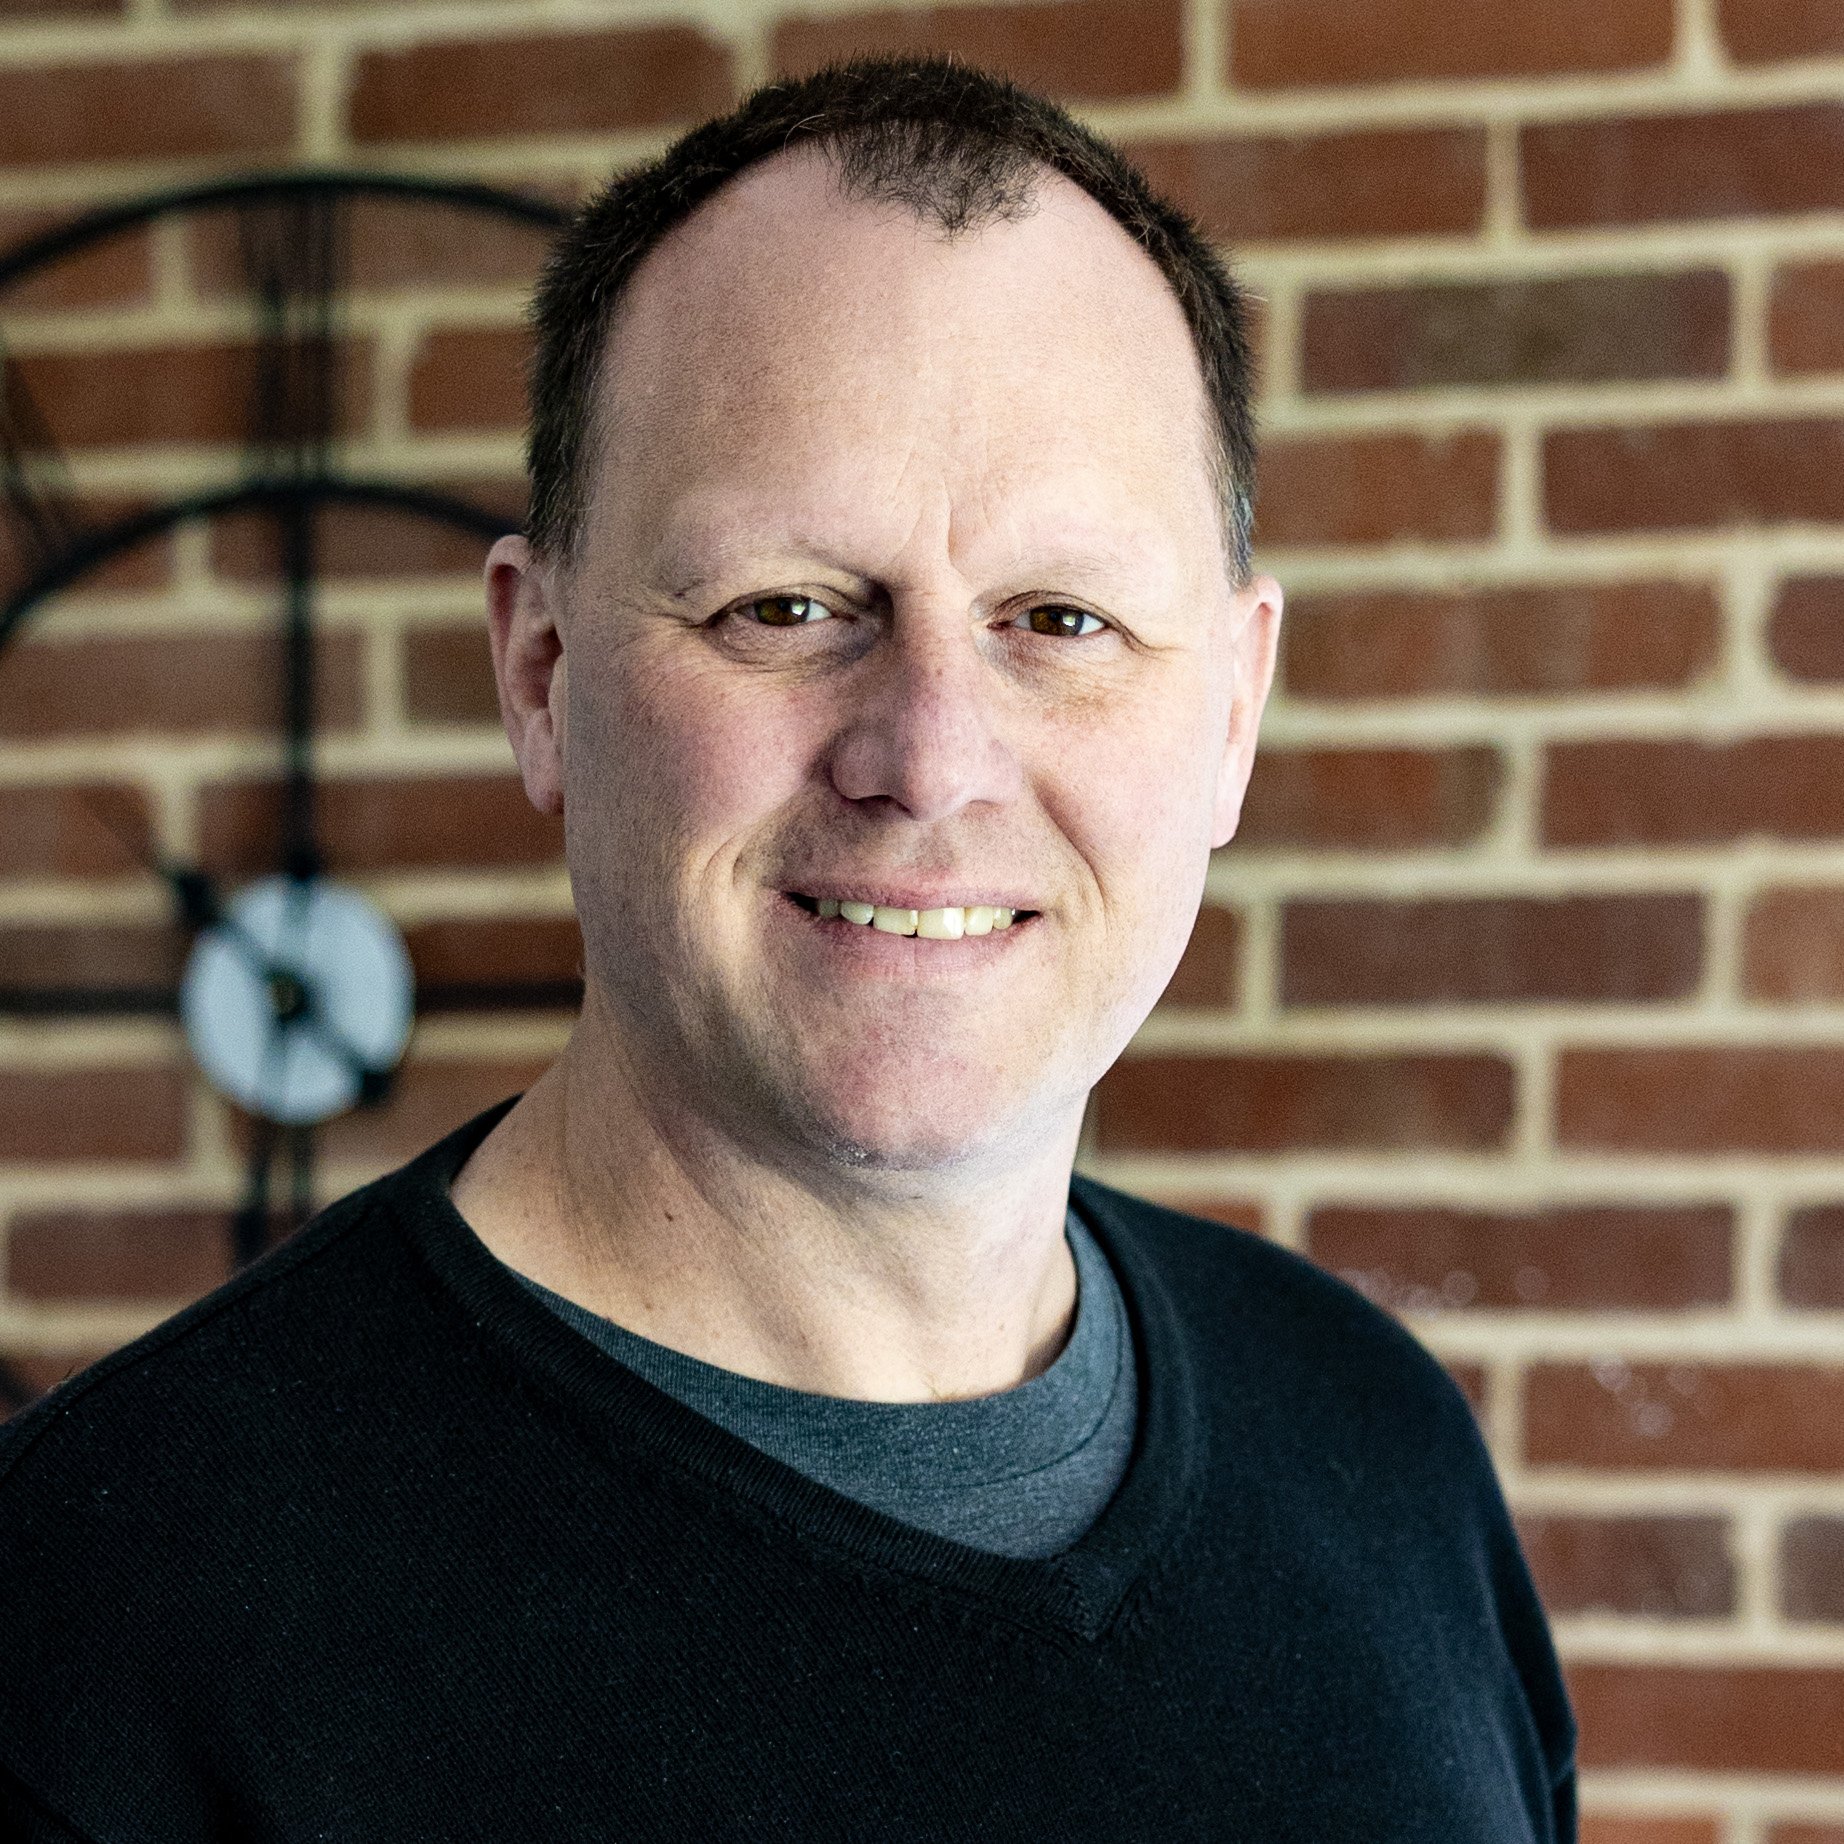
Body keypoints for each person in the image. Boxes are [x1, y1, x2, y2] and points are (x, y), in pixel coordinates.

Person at [0, 56, 1576, 1842]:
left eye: (1059, 619)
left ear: (1231, 710)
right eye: (790, 607)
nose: (928, 758)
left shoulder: (1375, 1447)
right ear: (541, 676)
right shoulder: (98, 1632)